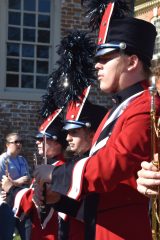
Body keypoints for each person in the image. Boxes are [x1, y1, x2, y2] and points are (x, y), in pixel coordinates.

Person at [33, 1, 160, 239]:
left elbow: (110, 167)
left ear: (132, 61)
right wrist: (58, 199)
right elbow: (104, 202)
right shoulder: (121, 108)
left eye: (105, 57)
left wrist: (55, 174)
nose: (97, 65)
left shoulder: (145, 106)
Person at [1, 118, 67, 240]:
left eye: (42, 139)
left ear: (57, 143)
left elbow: (37, 200)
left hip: (51, 231)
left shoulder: (59, 168)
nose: (37, 142)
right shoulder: (50, 166)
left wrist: (11, 189)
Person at [0, 132, 31, 240]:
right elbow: (1, 183)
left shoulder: (22, 159)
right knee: (6, 235)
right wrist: (17, 182)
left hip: (22, 202)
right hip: (7, 203)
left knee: (26, 235)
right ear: (7, 144)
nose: (19, 144)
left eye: (21, 142)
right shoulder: (2, 160)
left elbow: (28, 177)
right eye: (16, 142)